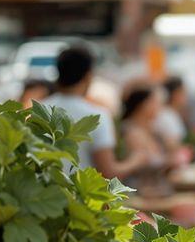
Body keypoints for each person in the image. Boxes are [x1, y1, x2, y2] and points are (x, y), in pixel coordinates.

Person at [43, 46, 147, 179]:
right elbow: (108, 172)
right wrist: (137, 160)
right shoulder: (97, 116)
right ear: (88, 76)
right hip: (81, 196)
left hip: (43, 194)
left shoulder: (39, 110)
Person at [120, 84, 174, 197]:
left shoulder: (151, 130)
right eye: (156, 102)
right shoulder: (131, 131)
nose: (160, 107)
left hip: (155, 195)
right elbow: (140, 166)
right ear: (143, 105)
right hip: (140, 197)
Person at [154, 75, 190, 153]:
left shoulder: (171, 114)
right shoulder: (167, 116)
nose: (187, 96)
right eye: (184, 92)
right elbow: (172, 146)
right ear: (175, 94)